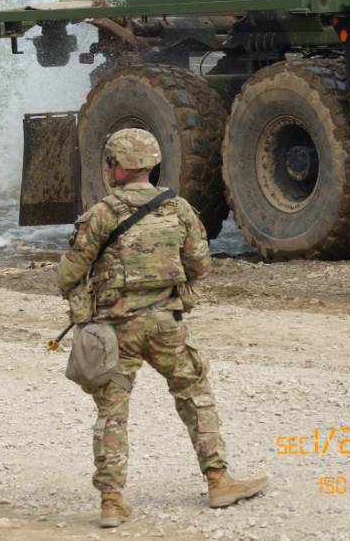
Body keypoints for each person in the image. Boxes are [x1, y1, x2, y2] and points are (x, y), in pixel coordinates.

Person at [58, 128, 267, 528]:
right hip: (167, 323)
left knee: (112, 414)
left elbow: (69, 275)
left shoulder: (101, 215)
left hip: (116, 329)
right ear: (150, 166)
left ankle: (111, 502)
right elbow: (201, 266)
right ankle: (218, 480)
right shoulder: (179, 209)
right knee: (194, 395)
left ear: (115, 167)